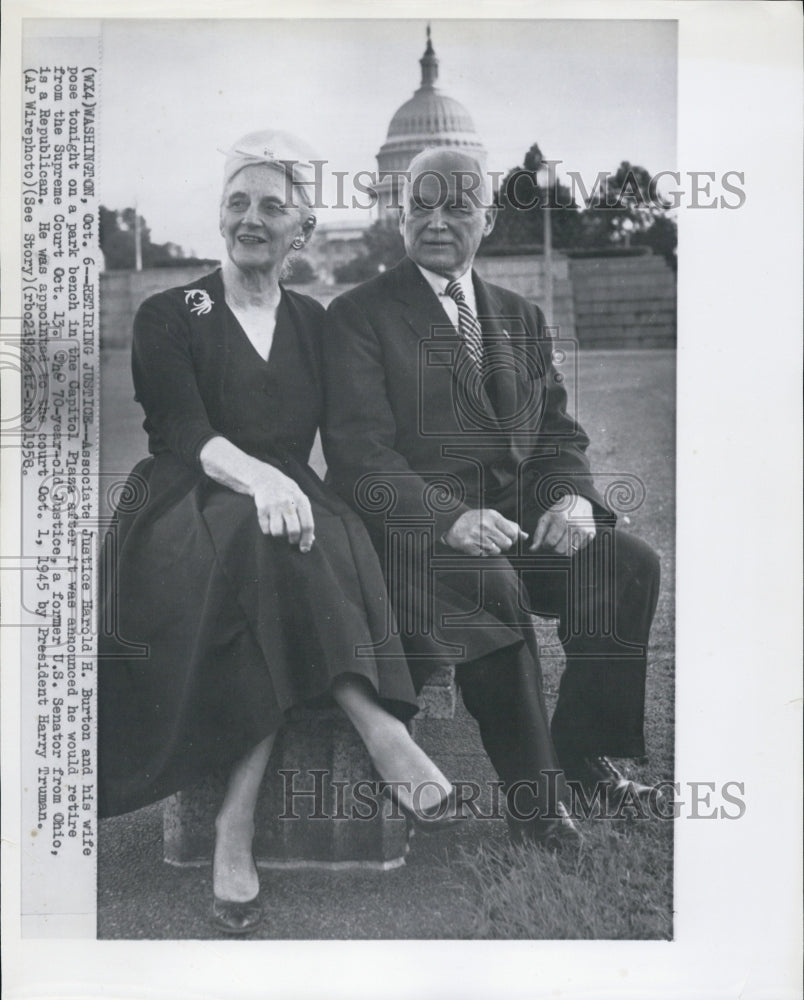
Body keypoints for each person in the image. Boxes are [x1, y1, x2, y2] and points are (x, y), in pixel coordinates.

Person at [98, 131, 461, 936]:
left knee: (317, 533)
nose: (249, 219)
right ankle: (375, 726)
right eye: (237, 202)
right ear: (219, 217)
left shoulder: (312, 321)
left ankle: (237, 817)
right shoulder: (172, 312)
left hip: (286, 507)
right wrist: (263, 479)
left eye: (271, 206)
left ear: (301, 229)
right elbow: (184, 430)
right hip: (183, 508)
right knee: (267, 539)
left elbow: (357, 433)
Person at [323, 148, 661, 836]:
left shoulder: (521, 316)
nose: (436, 221)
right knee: (491, 582)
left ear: (490, 217)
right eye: (421, 205)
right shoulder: (359, 315)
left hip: (509, 526)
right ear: (400, 214)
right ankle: (537, 807)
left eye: (456, 206)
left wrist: (569, 500)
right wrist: (449, 520)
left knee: (625, 563)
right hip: (407, 537)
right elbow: (361, 457)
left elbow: (556, 438)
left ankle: (579, 755)